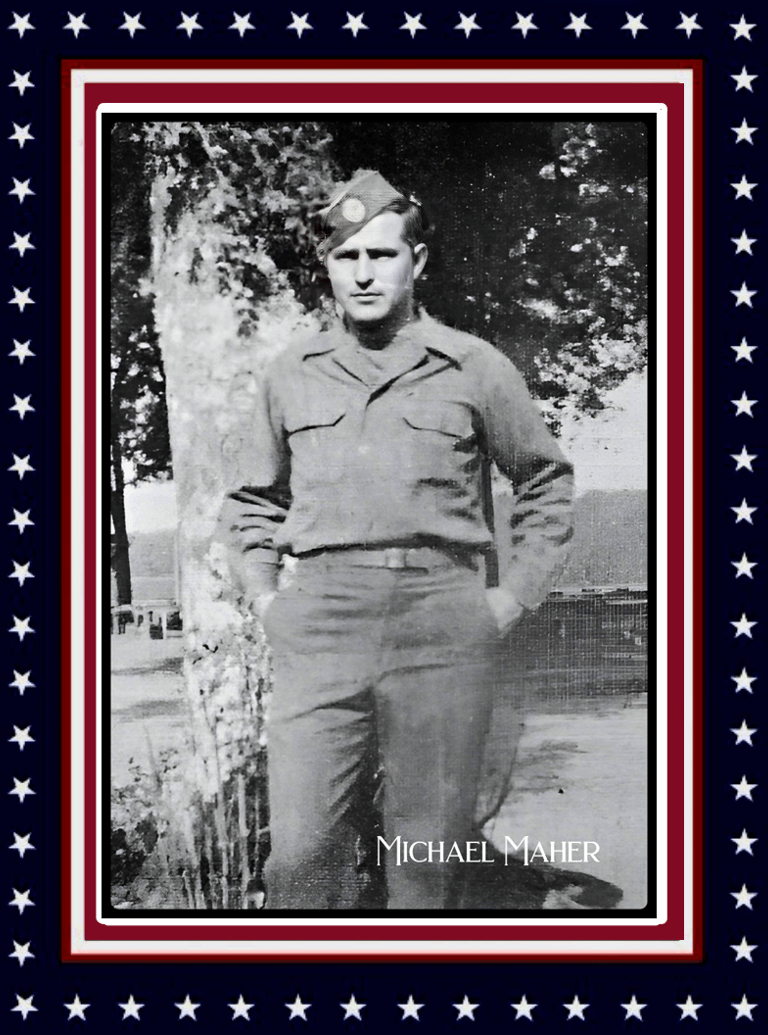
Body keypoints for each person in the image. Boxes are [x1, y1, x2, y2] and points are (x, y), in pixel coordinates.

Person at [219, 170, 574, 910]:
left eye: (381, 254)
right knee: (301, 857)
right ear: (328, 267)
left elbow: (545, 481)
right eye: (346, 257)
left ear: (417, 261)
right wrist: (264, 599)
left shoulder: (474, 366)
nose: (363, 273)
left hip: (441, 619)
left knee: (426, 860)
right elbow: (253, 501)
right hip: (321, 622)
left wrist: (511, 598)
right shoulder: (291, 375)